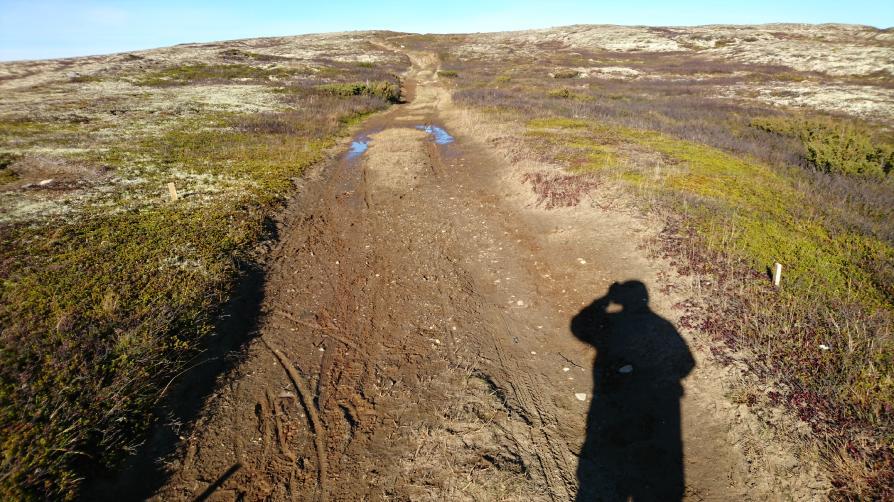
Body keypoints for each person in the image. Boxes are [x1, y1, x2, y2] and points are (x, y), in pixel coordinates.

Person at [571, 281, 694, 501]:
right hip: (656, 404)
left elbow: (578, 326)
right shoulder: (662, 325)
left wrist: (604, 300)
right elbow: (687, 363)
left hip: (615, 401)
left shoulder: (614, 321)